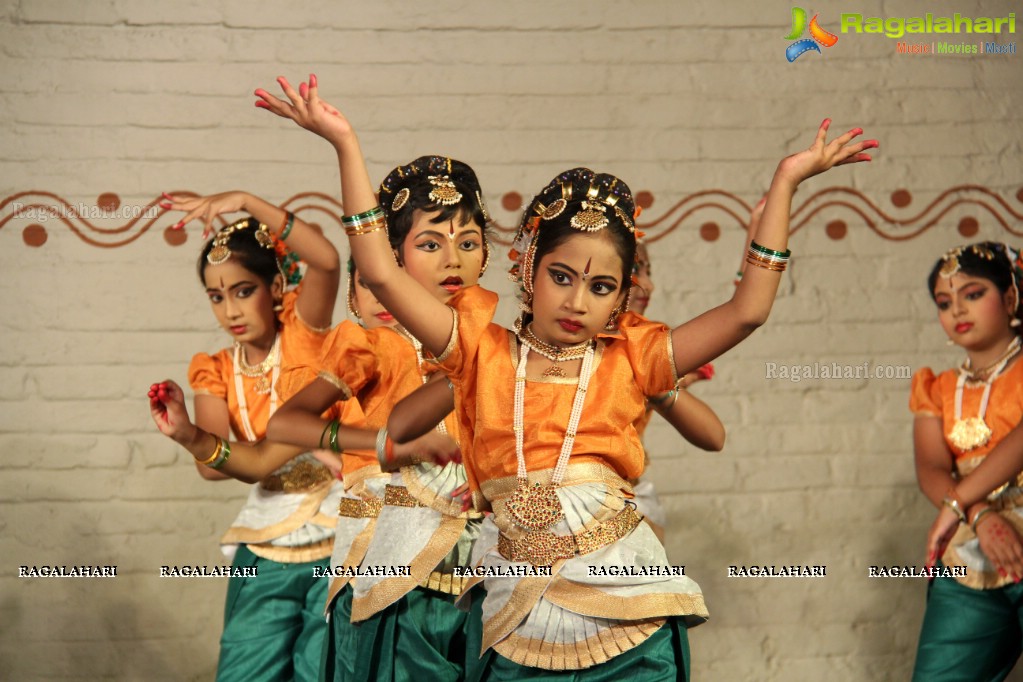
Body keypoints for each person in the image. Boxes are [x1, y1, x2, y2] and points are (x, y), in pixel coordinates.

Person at [258, 72, 874, 678]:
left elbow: (748, 311)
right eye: (562, 277)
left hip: (633, 615)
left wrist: (788, 181)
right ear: (527, 267)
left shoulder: (633, 354)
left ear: (620, 297)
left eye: (601, 286)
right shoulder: (479, 350)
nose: (579, 301)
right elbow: (382, 274)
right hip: (513, 618)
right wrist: (346, 144)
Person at [263, 145, 489, 681]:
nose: (452, 259)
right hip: (393, 575)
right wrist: (388, 446)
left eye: (469, 243)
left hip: (486, 573)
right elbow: (286, 425)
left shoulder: (496, 340)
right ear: (394, 260)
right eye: (431, 244)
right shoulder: (376, 345)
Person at [150, 190, 344, 681]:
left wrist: (243, 199)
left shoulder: (306, 334)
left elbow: (325, 259)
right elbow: (212, 467)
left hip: (340, 526)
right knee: (244, 670)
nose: (230, 311)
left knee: (320, 671)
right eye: (216, 296)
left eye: (242, 291)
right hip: (266, 532)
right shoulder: (214, 369)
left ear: (276, 287)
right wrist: (186, 432)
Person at [910, 241, 1023, 681]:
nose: (958, 309)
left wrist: (957, 506)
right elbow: (932, 470)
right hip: (973, 551)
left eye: (973, 294)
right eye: (944, 302)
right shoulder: (936, 387)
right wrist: (978, 515)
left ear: (1010, 298)